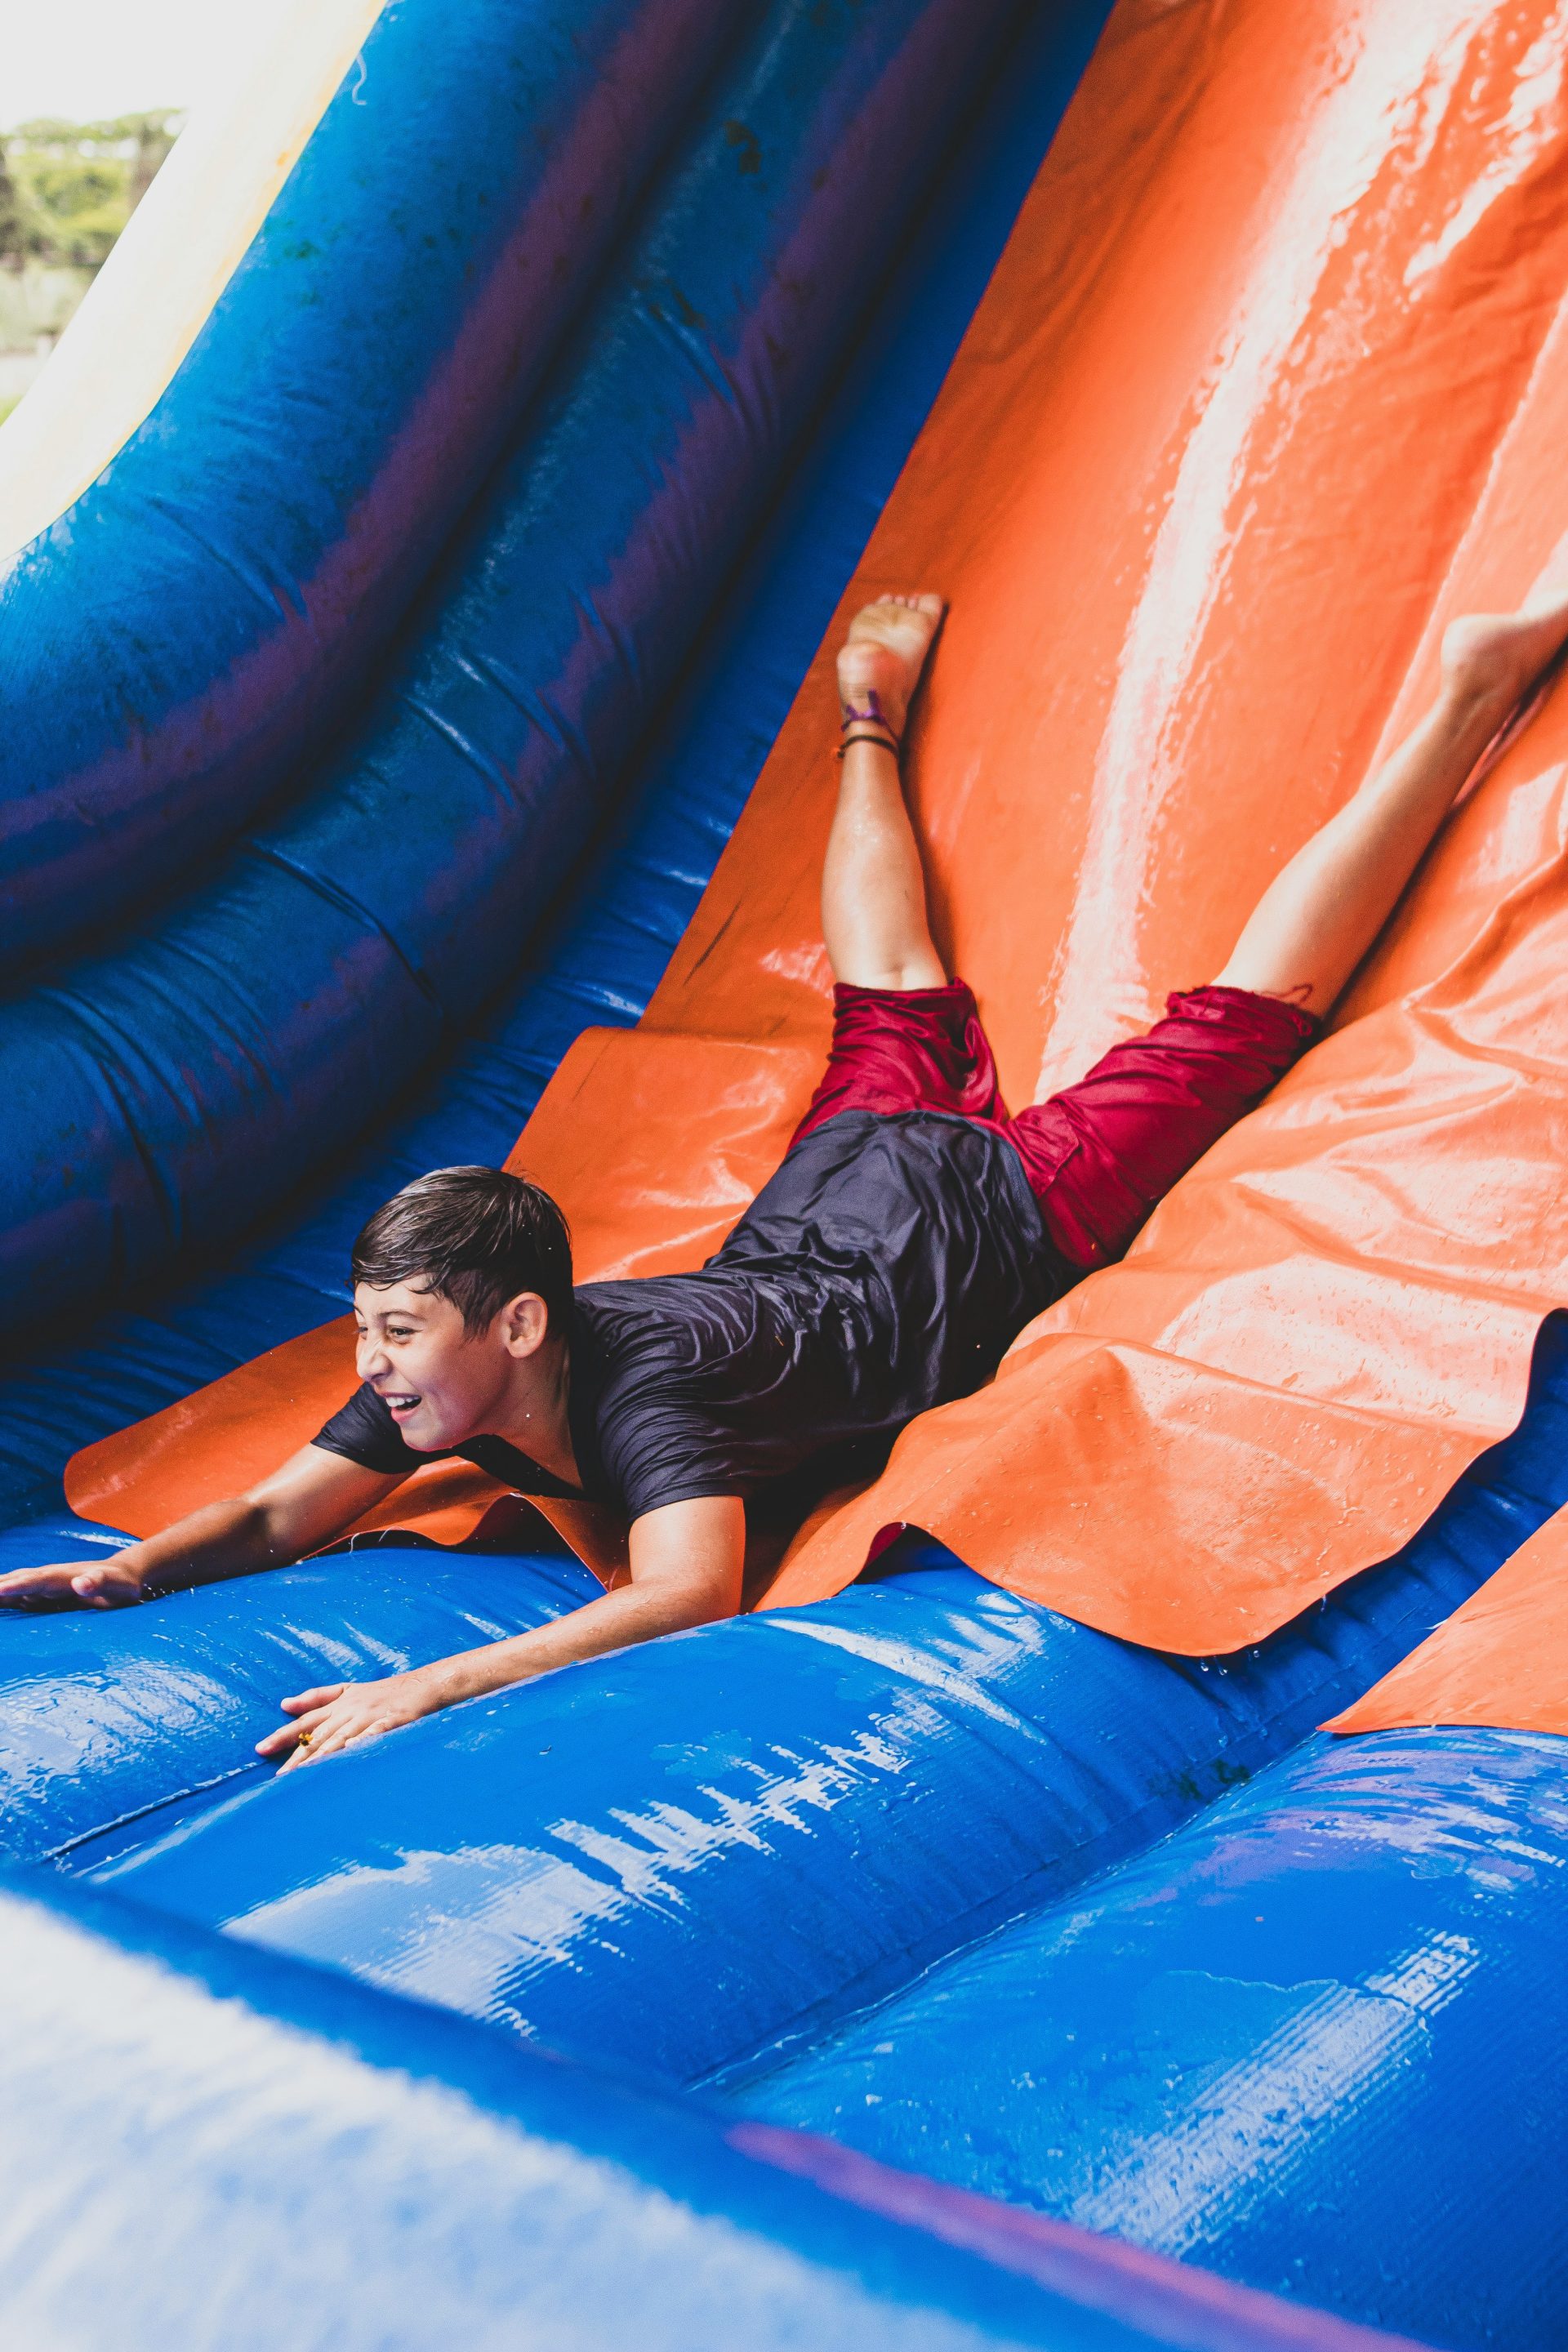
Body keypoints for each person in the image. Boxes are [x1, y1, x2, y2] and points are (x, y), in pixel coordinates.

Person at [5, 587, 1566, 1768]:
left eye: (398, 1333)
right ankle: (865, 716)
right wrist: (122, 1580)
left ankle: (1466, 696)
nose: (372, 1366)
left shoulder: (645, 1403)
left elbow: (686, 1593)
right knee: (885, 987)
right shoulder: (450, 1377)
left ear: (523, 1325)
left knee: (1236, 1027)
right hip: (831, 1198)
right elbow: (281, 1512)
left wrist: (430, 1686)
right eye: (372, 1330)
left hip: (992, 1218)